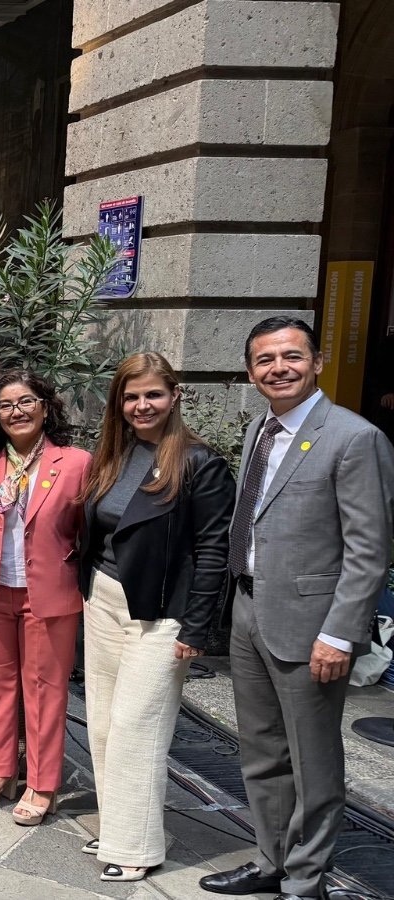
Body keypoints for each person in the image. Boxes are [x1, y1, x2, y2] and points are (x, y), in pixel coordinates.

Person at [199, 317, 394, 900]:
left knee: (313, 760)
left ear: (317, 362)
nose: (278, 368)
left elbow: (369, 549)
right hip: (249, 609)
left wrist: (340, 634)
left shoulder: (355, 438)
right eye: (265, 360)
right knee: (261, 750)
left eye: (291, 356)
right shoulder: (260, 429)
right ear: (250, 372)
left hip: (312, 627)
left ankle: (306, 881)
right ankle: (271, 860)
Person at [77, 352, 234, 882]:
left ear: (174, 396)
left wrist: (198, 625)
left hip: (160, 613)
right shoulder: (114, 454)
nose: (142, 405)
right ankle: (118, 828)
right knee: (102, 724)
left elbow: (213, 551)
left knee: (136, 729)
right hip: (102, 599)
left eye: (153, 394)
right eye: (131, 396)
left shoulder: (200, 463)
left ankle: (137, 849)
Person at [0, 371, 89, 827]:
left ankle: (42, 783)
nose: (16, 412)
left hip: (49, 593)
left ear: (45, 406)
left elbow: (88, 533)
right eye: (6, 405)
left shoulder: (76, 462)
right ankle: (0, 768)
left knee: (44, 690)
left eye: (26, 401)